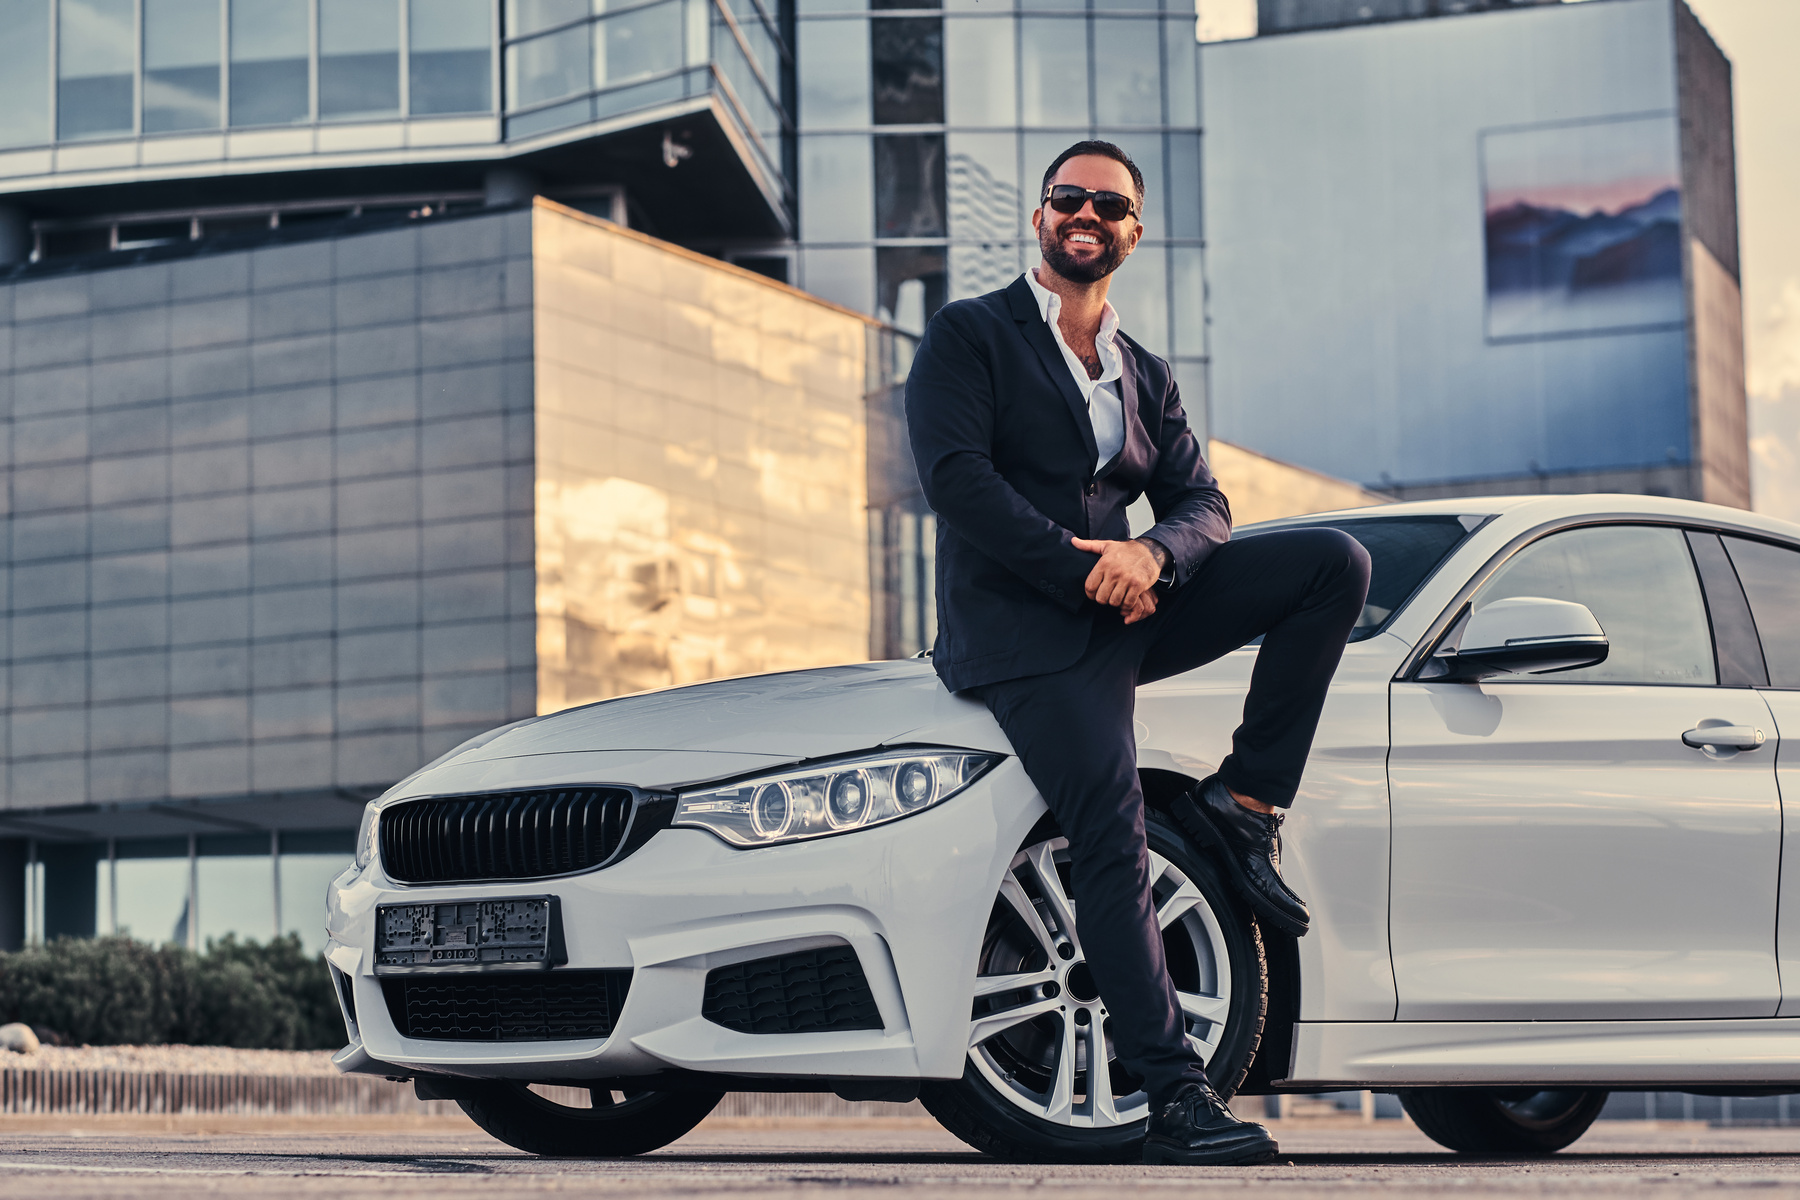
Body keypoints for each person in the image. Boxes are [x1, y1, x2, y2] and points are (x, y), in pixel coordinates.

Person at [904, 141, 1371, 1166]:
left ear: (1132, 232)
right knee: (1114, 832)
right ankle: (1176, 1098)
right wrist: (1086, 570)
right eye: (1068, 198)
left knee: (1332, 563)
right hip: (1025, 634)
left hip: (1127, 605)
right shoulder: (968, 335)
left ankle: (1245, 808)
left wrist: (1154, 554)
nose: (1086, 214)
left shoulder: (1141, 371)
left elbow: (1205, 502)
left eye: (1107, 204)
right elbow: (959, 484)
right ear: (1039, 219)